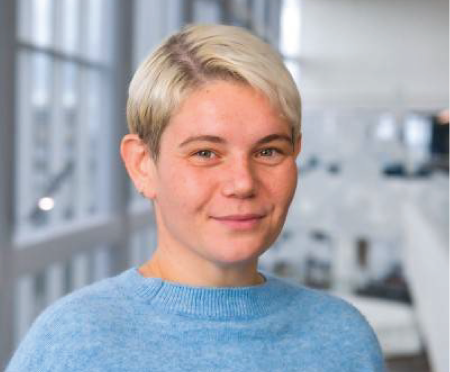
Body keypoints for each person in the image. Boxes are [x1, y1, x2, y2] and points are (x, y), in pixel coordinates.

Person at [6, 25, 385, 372]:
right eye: (205, 153)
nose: (242, 183)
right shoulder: (72, 345)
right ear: (142, 165)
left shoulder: (343, 340)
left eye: (268, 151)